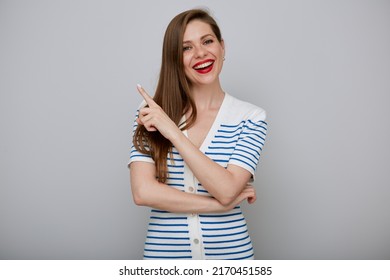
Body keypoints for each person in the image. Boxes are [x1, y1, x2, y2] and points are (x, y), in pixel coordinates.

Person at [128, 8, 268, 260]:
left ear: (222, 47)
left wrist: (172, 131)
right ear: (175, 58)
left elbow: (226, 189)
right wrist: (218, 205)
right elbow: (143, 192)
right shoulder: (151, 113)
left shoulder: (251, 117)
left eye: (207, 41)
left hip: (231, 259)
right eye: (186, 48)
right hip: (164, 260)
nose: (201, 53)